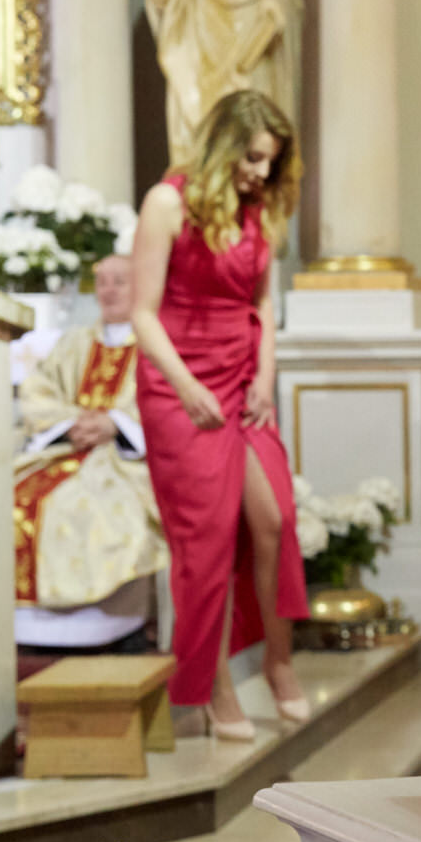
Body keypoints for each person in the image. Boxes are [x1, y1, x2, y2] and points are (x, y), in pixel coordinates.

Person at [131, 89, 308, 740]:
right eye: (254, 157)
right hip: (179, 386)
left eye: (271, 162)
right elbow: (141, 313)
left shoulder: (258, 209)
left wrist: (264, 376)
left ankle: (279, 662)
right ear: (223, 144)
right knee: (205, 543)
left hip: (242, 379)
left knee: (275, 516)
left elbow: (264, 304)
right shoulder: (167, 202)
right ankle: (215, 686)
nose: (261, 173)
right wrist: (185, 386)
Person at [13, 254, 169, 651]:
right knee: (10, 496)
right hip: (66, 450)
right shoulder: (75, 343)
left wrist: (117, 423)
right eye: (102, 282)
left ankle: (106, 626)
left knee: (83, 507)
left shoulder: (156, 342)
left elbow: (168, 401)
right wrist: (71, 423)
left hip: (127, 460)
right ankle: (29, 628)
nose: (109, 290)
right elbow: (38, 391)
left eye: (120, 281)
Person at [143, 0, 301, 166]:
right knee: (202, 140)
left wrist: (276, 1)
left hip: (251, 49)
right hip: (202, 50)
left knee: (253, 129)